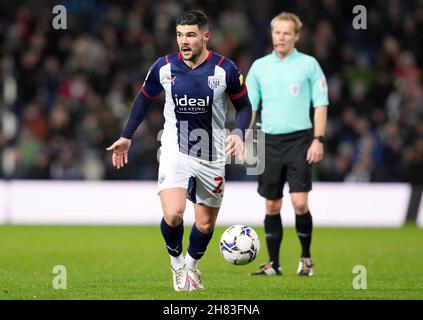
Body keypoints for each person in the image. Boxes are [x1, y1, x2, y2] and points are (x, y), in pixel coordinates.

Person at [106, 10, 252, 291]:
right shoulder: (164, 67)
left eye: (191, 35)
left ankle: (192, 266)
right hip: (175, 148)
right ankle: (176, 264)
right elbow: (144, 99)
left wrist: (238, 133)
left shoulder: (226, 69)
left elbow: (244, 106)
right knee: (173, 214)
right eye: (179, 35)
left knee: (206, 225)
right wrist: (126, 136)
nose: (184, 41)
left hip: (212, 153)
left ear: (205, 36)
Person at [246, 12, 329, 276]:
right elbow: (249, 108)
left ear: (296, 36)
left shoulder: (309, 65)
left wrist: (318, 139)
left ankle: (306, 259)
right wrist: (245, 137)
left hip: (299, 140)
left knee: (299, 203)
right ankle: (274, 264)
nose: (280, 37)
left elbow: (320, 104)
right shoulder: (259, 67)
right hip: (268, 140)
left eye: (286, 33)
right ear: (271, 34)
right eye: (277, 32)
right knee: (271, 205)